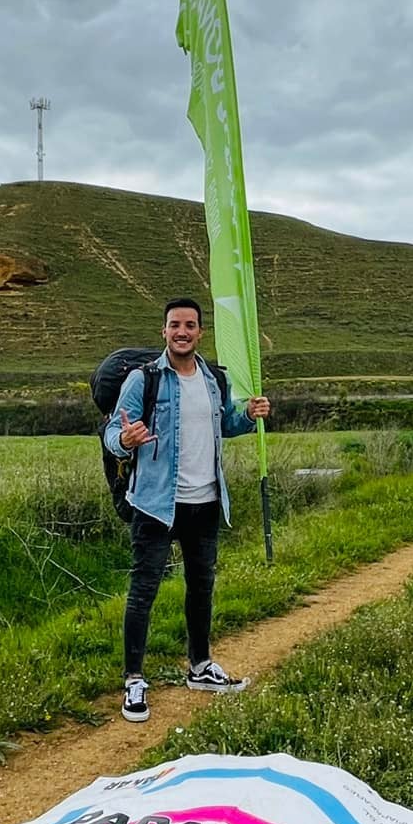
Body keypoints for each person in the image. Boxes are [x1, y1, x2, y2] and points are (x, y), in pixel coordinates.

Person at [104, 297, 272, 722]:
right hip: (156, 505)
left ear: (200, 332)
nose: (182, 332)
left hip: (206, 502)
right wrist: (125, 441)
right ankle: (134, 681)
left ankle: (200, 667)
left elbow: (226, 425)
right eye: (175, 325)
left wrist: (249, 415)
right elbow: (112, 431)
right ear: (163, 331)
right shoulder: (145, 379)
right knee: (144, 592)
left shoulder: (213, 379)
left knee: (202, 589)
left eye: (190, 325)